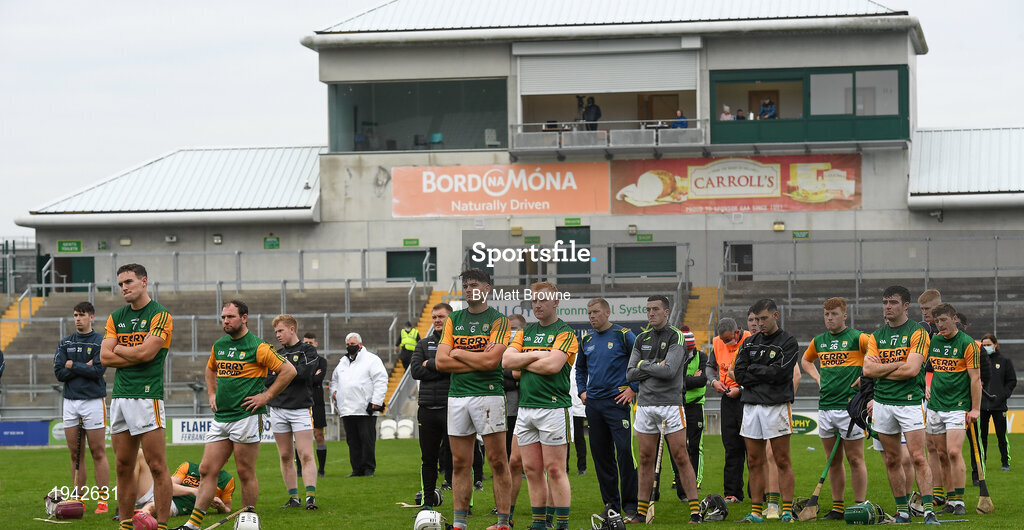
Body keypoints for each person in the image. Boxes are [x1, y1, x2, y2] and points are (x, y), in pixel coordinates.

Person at [173, 300, 296, 530]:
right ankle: (193, 524)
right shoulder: (219, 345)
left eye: (230, 317)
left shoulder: (258, 346)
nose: (225, 321)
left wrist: (265, 397)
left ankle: (248, 522)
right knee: (206, 469)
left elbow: (289, 370)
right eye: (223, 317)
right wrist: (211, 393)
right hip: (222, 418)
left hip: (247, 417)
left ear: (244, 318)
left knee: (244, 471)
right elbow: (210, 369)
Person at [435, 268, 513, 530]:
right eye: (466, 285)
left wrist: (458, 351)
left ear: (487, 288)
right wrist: (477, 360)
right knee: (459, 463)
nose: (469, 289)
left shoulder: (498, 320)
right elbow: (440, 361)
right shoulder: (453, 319)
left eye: (474, 284)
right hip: (457, 397)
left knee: (498, 461)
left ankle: (503, 521)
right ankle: (459, 523)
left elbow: (493, 361)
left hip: (489, 394)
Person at [100, 263, 174, 530]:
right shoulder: (115, 316)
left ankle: (163, 524)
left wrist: (120, 348)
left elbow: (147, 354)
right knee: (122, 466)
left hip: (147, 396)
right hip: (120, 396)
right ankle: (126, 524)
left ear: (144, 281)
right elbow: (104, 357)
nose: (124, 287)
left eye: (129, 281)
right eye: (120, 284)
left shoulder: (160, 315)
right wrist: (136, 351)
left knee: (156, 464)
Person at [503, 282, 579, 530]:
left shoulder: (565, 333)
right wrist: (541, 355)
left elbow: (553, 367)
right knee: (532, 469)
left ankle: (562, 525)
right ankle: (538, 525)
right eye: (534, 300)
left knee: (555, 470)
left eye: (543, 300)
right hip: (526, 409)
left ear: (555, 302)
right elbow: (507, 361)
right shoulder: (526, 331)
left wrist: (525, 360)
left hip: (554, 408)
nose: (537, 305)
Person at [863, 285, 938, 525]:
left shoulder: (917, 332)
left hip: (909, 403)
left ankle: (928, 510)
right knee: (892, 460)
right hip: (883, 403)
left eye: (893, 302)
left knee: (917, 457)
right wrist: (898, 366)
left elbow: (913, 369)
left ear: (906, 305)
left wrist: (881, 370)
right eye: (885, 302)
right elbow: (867, 370)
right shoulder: (876, 336)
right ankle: (902, 512)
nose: (887, 307)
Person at [626, 295, 702, 524]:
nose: (651, 313)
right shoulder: (641, 338)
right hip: (646, 406)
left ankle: (695, 511)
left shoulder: (676, 336)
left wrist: (643, 366)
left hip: (671, 405)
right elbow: (630, 373)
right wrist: (652, 366)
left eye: (655, 309)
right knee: (645, 457)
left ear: (666, 312)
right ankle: (641, 512)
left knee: (681, 457)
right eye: (648, 309)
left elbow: (669, 371)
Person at [800, 297, 875, 519]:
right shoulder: (819, 341)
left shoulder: (858, 338)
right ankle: (838, 508)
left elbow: (877, 353)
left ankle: (860, 505)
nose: (829, 318)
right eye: (826, 314)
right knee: (832, 461)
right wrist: (818, 379)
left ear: (844, 315)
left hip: (849, 408)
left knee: (855, 459)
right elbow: (805, 361)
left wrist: (866, 376)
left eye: (834, 314)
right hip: (825, 406)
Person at [732, 298, 799, 523]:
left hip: (776, 406)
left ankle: (787, 510)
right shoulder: (749, 343)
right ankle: (756, 512)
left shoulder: (788, 341)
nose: (760, 323)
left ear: (775, 316)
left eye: (764, 318)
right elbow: (738, 373)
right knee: (753, 460)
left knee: (781, 459)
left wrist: (754, 370)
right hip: (751, 406)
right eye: (757, 319)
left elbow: (781, 374)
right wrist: (763, 371)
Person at [576, 298, 638, 518]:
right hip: (594, 404)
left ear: (607, 313)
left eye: (595, 312)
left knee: (624, 452)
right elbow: (580, 368)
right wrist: (582, 391)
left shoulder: (623, 335)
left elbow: (640, 363)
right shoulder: (586, 339)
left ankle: (631, 505)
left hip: (617, 402)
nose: (591, 316)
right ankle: (611, 504)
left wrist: (633, 388)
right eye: (589, 313)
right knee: (602, 456)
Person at [53, 301, 109, 513]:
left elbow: (97, 371)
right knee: (75, 454)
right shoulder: (65, 343)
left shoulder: (100, 341)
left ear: (91, 317)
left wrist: (72, 365)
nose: (78, 318)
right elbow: (59, 372)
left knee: (98, 451)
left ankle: (102, 500)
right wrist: (82, 367)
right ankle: (78, 498)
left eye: (82, 315)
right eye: (75, 314)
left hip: (93, 401)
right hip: (70, 402)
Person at [925, 303, 981, 516]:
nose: (940, 325)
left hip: (957, 406)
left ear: (954, 318)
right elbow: (924, 367)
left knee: (954, 452)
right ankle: (950, 500)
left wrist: (975, 408)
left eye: (943, 321)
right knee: (941, 454)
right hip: (936, 405)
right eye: (937, 322)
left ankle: (959, 502)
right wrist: (926, 385)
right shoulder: (935, 341)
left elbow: (975, 379)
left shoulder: (967, 344)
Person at [268, 315, 321, 509]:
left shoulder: (308, 350)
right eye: (276, 332)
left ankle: (310, 497)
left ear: (292, 329)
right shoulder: (276, 353)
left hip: (300, 410)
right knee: (285, 456)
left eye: (280, 330)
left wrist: (280, 373)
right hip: (278, 409)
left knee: (305, 454)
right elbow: (267, 380)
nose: (278, 335)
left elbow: (305, 374)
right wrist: (288, 373)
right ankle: (293, 498)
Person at [411, 303, 455, 507]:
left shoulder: (459, 343)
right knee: (428, 459)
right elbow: (416, 371)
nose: (437, 320)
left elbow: (458, 369)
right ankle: (427, 503)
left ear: (450, 318)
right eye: (434, 317)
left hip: (452, 407)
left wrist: (431, 364)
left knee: (458, 458)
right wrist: (444, 366)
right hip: (427, 409)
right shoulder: (423, 344)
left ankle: (464, 505)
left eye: (441, 316)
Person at [330, 332, 388, 477]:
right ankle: (356, 469)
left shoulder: (372, 360)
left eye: (353, 344)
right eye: (348, 345)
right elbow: (334, 380)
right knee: (352, 441)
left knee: (366, 440)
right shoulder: (342, 362)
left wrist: (376, 402)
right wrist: (334, 392)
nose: (350, 347)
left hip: (364, 408)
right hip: (347, 408)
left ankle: (369, 468)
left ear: (360, 345)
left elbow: (380, 380)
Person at [709, 317, 749, 503]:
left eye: (728, 339)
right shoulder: (717, 342)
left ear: (737, 333)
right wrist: (713, 381)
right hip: (727, 399)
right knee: (731, 447)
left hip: (748, 397)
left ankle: (759, 494)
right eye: (722, 340)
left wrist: (740, 389)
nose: (725, 343)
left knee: (753, 448)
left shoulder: (749, 339)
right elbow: (710, 367)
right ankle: (732, 493)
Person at [134, 451, 233, 520]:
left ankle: (139, 514)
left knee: (152, 507)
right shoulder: (189, 466)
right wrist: (194, 491)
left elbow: (227, 509)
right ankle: (129, 504)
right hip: (157, 489)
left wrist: (221, 507)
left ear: (225, 461)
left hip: (176, 505)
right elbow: (168, 487)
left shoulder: (227, 480)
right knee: (139, 453)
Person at [669, 331, 708, 498]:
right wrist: (690, 379)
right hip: (678, 405)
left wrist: (684, 380)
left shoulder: (702, 357)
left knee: (695, 445)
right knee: (677, 445)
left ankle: (696, 479)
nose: (688, 351)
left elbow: (702, 380)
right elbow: (673, 379)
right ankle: (678, 478)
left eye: (690, 349)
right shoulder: (677, 355)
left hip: (695, 406)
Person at [980, 333, 1015, 471]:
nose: (986, 347)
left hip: (999, 406)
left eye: (988, 345)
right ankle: (982, 463)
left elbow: (1012, 381)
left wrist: (1003, 395)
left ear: (995, 345)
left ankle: (1005, 462)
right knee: (982, 438)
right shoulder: (978, 362)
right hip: (982, 406)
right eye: (983, 345)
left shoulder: (1005, 361)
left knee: (1001, 436)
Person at [299, 332, 328, 477]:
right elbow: (299, 377)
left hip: (317, 402)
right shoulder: (299, 360)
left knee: (319, 435)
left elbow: (318, 380)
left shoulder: (322, 361)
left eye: (310, 343)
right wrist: (311, 375)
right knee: (299, 437)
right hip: (300, 401)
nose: (308, 345)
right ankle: (299, 470)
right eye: (305, 343)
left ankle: (321, 469)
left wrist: (305, 376)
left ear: (316, 344)